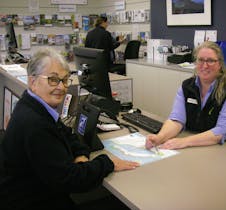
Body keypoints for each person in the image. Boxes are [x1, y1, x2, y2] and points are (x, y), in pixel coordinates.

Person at [0, 48, 139, 210]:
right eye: (53, 79)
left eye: (65, 80)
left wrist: (80, 154)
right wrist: (108, 163)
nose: (61, 87)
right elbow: (70, 180)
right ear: (33, 82)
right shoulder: (35, 124)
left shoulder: (34, 105)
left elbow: (67, 134)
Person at [146, 41, 226, 150]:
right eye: (200, 60)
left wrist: (184, 142)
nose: (205, 65)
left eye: (211, 61)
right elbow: (177, 120)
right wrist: (160, 138)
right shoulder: (187, 86)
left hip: (219, 149)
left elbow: (221, 131)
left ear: (220, 64)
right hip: (193, 146)